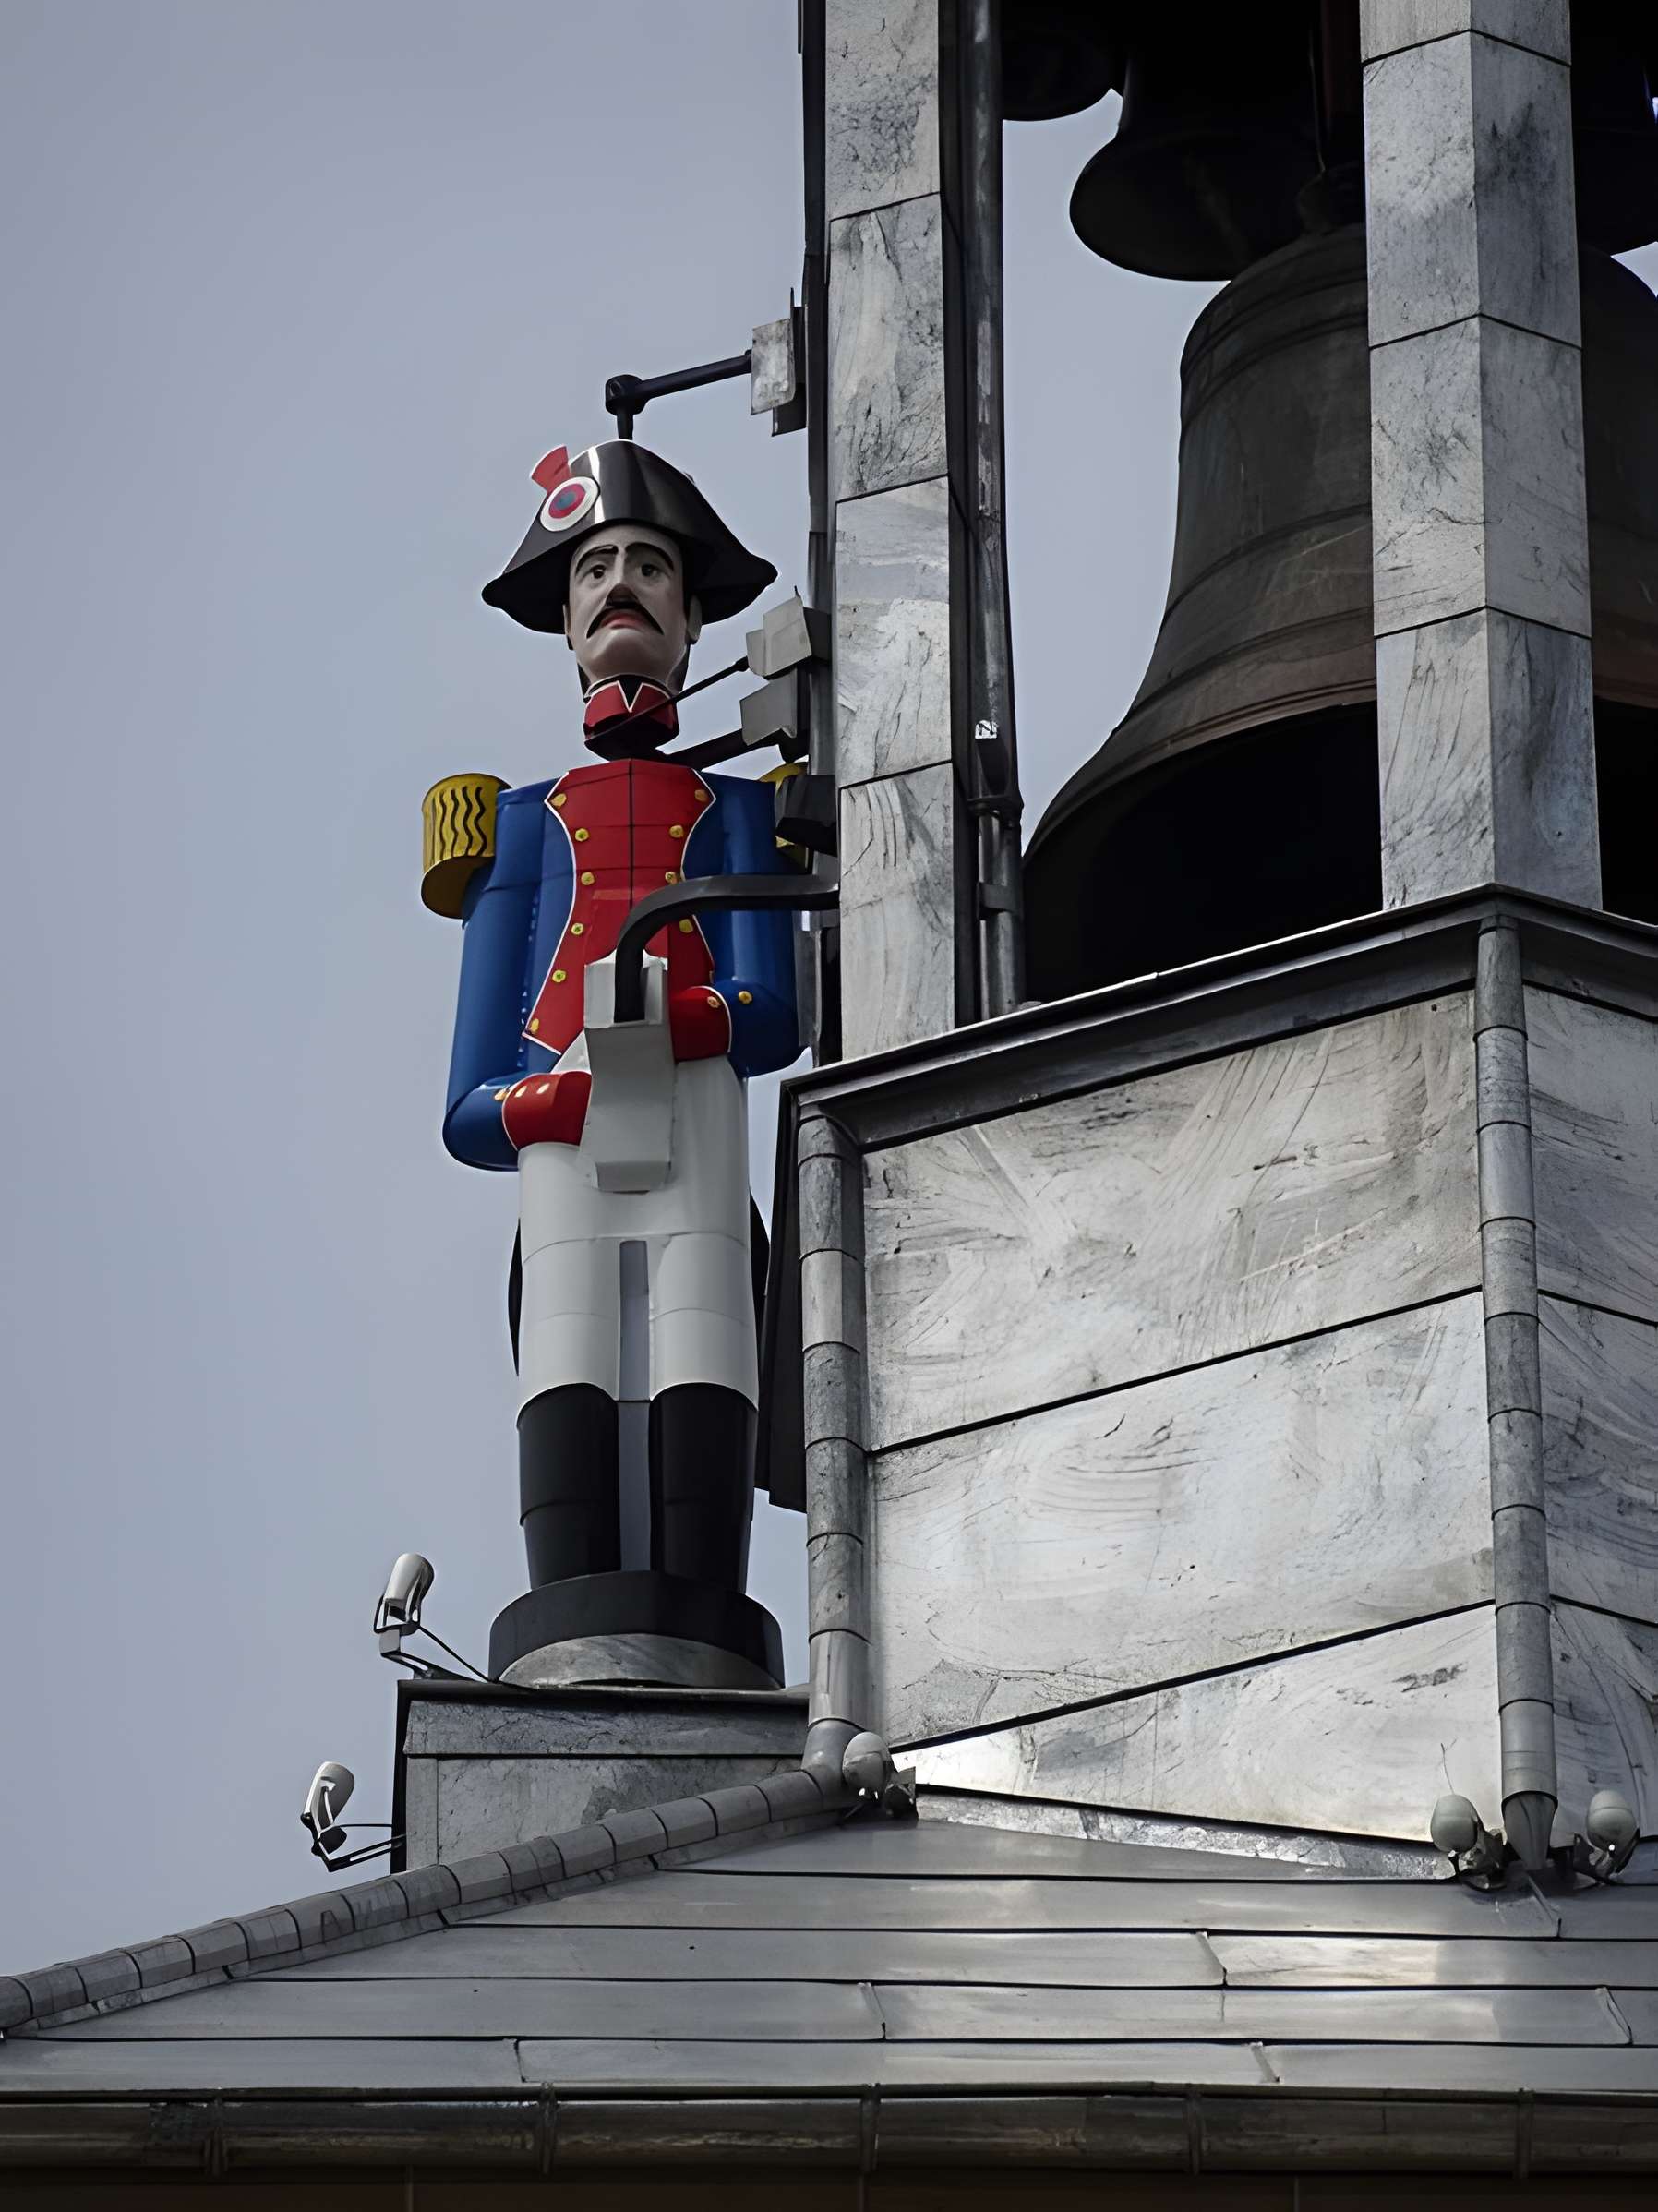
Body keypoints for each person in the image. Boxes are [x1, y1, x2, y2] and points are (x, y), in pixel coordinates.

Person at [430, 439, 798, 1633]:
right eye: (596, 568)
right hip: (563, 1130)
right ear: (569, 616)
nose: (620, 585)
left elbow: (772, 1008)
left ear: (693, 620)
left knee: (706, 1332)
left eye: (648, 565)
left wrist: (682, 1024)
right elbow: (471, 1098)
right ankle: (568, 1604)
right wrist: (552, 1102)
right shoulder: (518, 829)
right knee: (568, 1346)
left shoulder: (745, 808)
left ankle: (704, 1594)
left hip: (693, 1102)